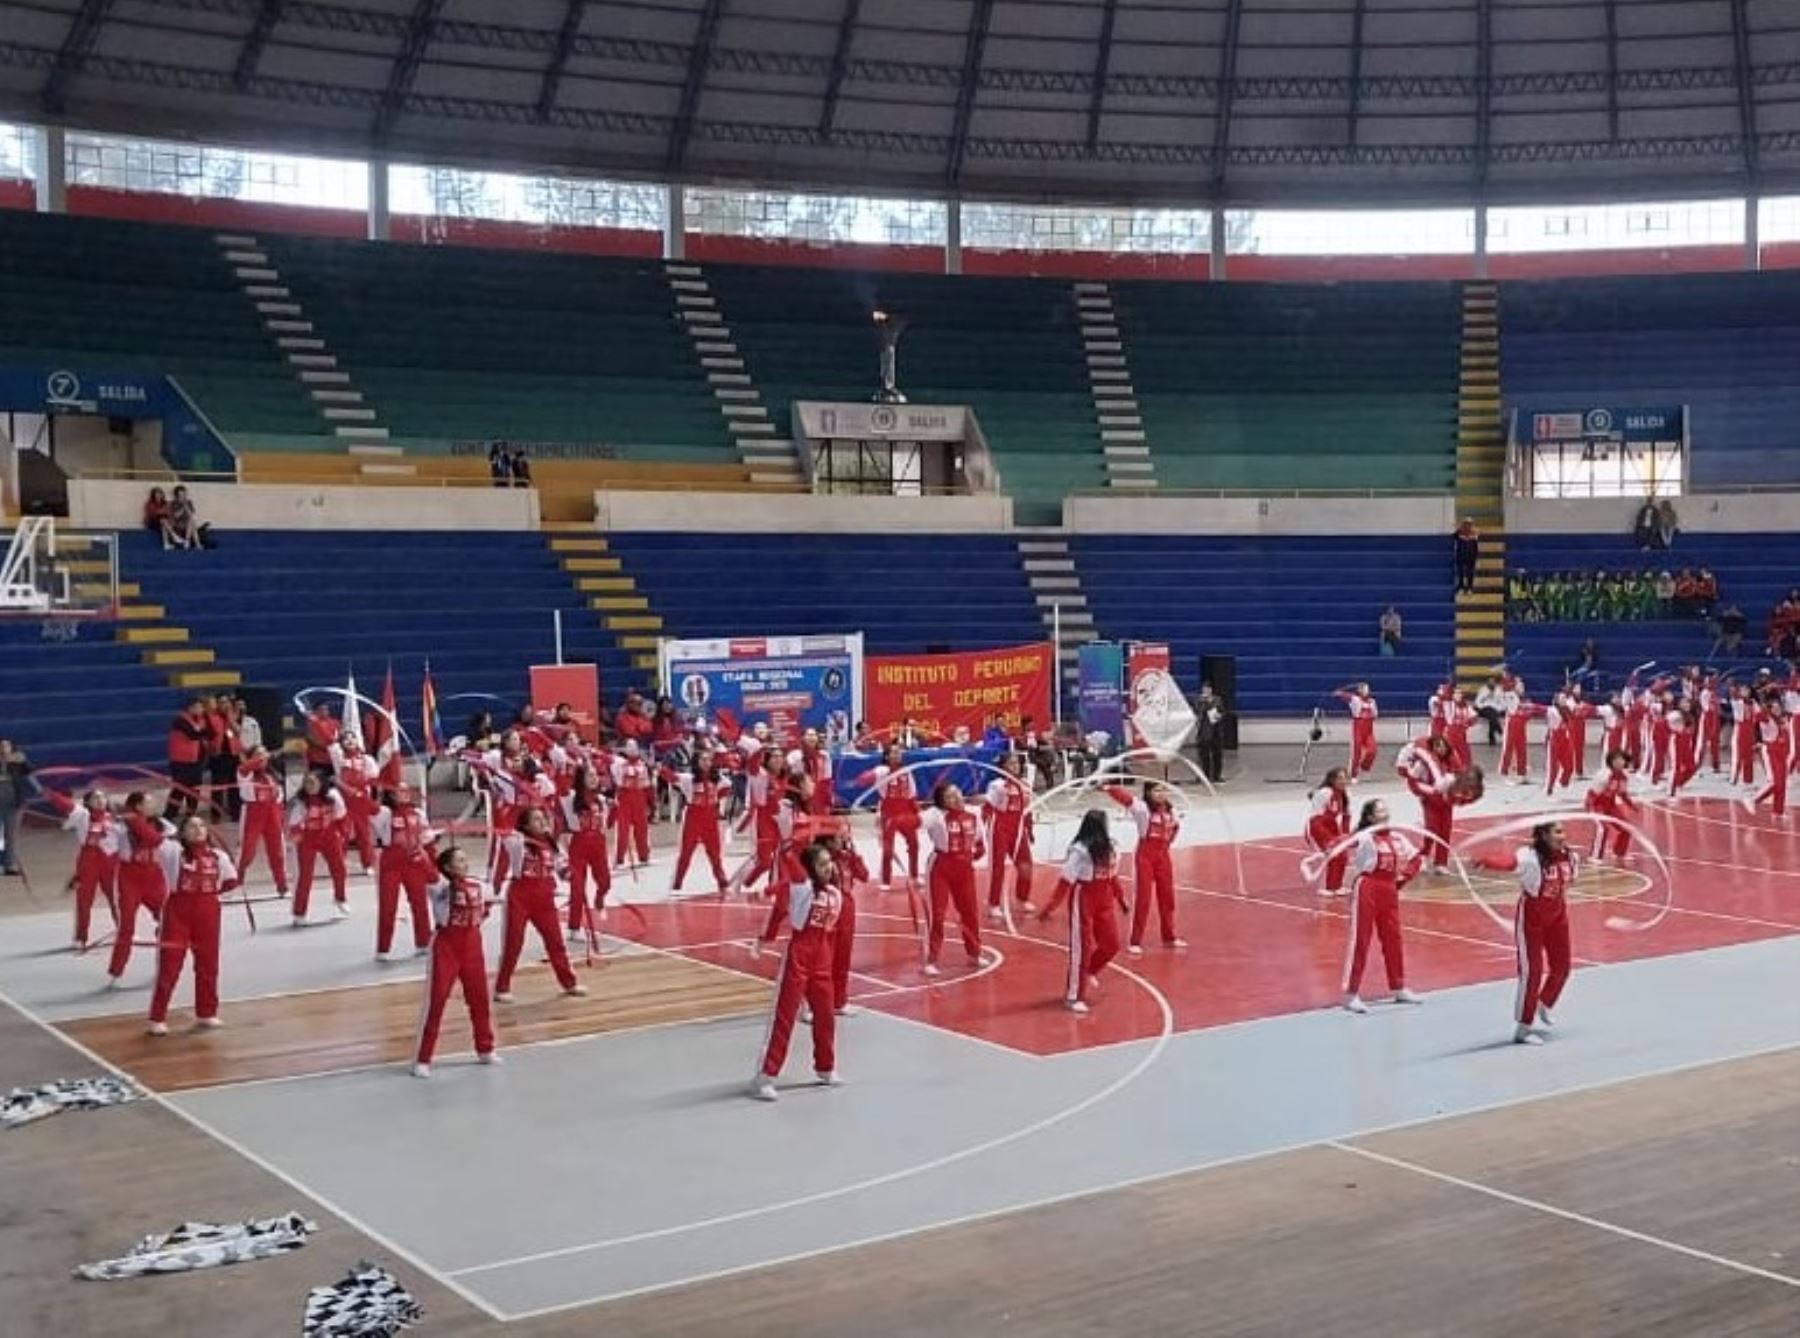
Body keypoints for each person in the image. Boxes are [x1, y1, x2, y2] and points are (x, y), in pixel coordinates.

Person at [750, 840, 845, 1100]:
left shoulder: (835, 894)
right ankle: (765, 1076)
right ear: (810, 869)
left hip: (823, 959)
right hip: (799, 956)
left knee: (826, 1016)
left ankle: (825, 1067)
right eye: (822, 864)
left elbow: (832, 934)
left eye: (830, 862)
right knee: (785, 1016)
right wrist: (796, 838)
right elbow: (789, 857)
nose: (829, 867)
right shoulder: (801, 888)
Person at [1475, 821, 1577, 1045]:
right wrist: (1488, 860)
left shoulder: (1571, 857)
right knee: (1532, 973)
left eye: (1563, 830)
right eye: (1558, 831)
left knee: (1562, 968)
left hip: (1558, 915)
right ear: (1543, 835)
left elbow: (1567, 882)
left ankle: (1545, 1003)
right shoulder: (1530, 857)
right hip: (1532, 918)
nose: (1563, 835)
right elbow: (1509, 862)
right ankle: (1523, 1028)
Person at [146, 814, 240, 1035]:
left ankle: (206, 1013)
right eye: (191, 826)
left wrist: (214, 894)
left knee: (208, 965)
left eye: (201, 825)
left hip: (208, 912)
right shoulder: (172, 852)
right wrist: (135, 816)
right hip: (178, 911)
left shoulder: (219, 856)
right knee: (170, 966)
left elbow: (232, 880)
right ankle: (157, 1017)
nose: (198, 829)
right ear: (183, 832)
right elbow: (150, 836)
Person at [413, 846, 500, 1078]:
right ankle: (423, 1058)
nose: (465, 863)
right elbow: (427, 870)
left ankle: (485, 1048)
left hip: (472, 944)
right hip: (446, 946)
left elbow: (490, 902)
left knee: (479, 998)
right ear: (449, 867)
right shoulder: (440, 888)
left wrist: (481, 915)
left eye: (465, 859)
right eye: (460, 860)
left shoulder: (480, 885)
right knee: (436, 1002)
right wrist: (419, 849)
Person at [493, 807, 587, 1003]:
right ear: (526, 825)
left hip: (544, 899)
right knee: (513, 943)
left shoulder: (553, 844)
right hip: (520, 897)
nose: (542, 822)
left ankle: (569, 983)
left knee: (555, 942)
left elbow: (562, 867)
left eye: (543, 818)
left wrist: (570, 875)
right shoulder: (517, 842)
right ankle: (502, 987)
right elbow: (503, 831)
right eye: (536, 820)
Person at [1036, 809, 1124, 1015]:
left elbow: (1113, 875)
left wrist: (1121, 898)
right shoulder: (1079, 850)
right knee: (1082, 948)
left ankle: (1091, 970)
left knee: (1112, 944)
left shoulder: (1113, 847)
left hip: (1105, 897)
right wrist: (1050, 907)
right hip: (1083, 898)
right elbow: (1065, 881)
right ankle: (1074, 996)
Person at [1340, 798, 1424, 1014]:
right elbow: (1343, 843)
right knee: (1361, 939)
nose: (1385, 813)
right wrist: (1330, 846)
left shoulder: (1398, 837)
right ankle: (1351, 994)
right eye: (1379, 811)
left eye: (1386, 809)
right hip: (1367, 887)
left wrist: (1404, 877)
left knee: (1393, 939)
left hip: (1389, 889)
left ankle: (1398, 987)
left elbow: (1416, 858)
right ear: (1370, 817)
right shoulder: (1366, 837)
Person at [1107, 780, 1184, 950]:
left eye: (1163, 790)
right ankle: (1135, 941)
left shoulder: (1172, 811)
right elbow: (1125, 798)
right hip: (1145, 856)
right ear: (1149, 793)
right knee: (1143, 898)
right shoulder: (1142, 809)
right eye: (1157, 790)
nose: (1161, 793)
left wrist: (1167, 843)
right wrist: (1108, 787)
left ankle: (1169, 937)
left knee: (1167, 897)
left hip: (1163, 856)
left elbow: (1175, 828)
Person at [920, 782, 985, 976]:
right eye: (950, 796)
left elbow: (980, 841)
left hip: (965, 868)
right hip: (940, 867)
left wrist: (977, 852)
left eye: (957, 792)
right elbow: (914, 821)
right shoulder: (935, 815)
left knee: (970, 912)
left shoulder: (974, 813)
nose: (956, 797)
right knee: (937, 915)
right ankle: (930, 959)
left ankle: (974, 952)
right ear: (942, 802)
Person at [107, 793, 172, 984]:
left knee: (167, 923)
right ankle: (116, 970)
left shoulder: (163, 825)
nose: (154, 804)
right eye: (149, 802)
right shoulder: (119, 828)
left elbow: (158, 841)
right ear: (137, 806)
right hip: (130, 878)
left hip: (154, 877)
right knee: (126, 928)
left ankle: (164, 965)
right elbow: (106, 849)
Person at [371, 784, 437, 961]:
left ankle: (423, 942)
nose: (405, 794)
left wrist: (430, 838)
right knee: (388, 907)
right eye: (399, 791)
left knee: (420, 904)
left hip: (414, 861)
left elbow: (425, 834)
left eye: (407, 790)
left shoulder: (419, 813)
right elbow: (370, 810)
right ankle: (383, 948)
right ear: (391, 795)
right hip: (391, 861)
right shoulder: (385, 813)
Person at [56, 788, 119, 951]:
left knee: (117, 898)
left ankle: (124, 930)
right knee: (84, 901)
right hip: (88, 860)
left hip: (110, 860)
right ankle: (81, 937)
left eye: (103, 797)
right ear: (88, 802)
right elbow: (66, 806)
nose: (100, 800)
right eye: (95, 798)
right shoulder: (82, 815)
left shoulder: (115, 818)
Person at [286, 771, 349, 924]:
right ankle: (299, 913)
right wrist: (297, 839)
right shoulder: (300, 802)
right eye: (307, 783)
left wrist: (342, 834)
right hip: (308, 840)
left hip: (329, 837)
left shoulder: (333, 797)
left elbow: (341, 816)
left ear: (321, 783)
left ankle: (340, 898)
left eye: (313, 783)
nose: (310, 786)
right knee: (305, 876)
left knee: (340, 869)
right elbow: (293, 824)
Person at [983, 752, 1035, 922]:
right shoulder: (997, 785)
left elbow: (1027, 810)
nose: (1015, 766)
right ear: (1003, 766)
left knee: (1026, 865)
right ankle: (994, 904)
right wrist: (987, 828)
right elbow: (988, 807)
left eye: (1017, 763)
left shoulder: (1025, 784)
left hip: (1018, 829)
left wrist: (1029, 828)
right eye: (1011, 763)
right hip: (999, 827)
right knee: (998, 867)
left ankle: (1022, 898)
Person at [561, 763, 611, 932]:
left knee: (605, 882)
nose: (594, 778)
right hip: (579, 845)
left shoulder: (602, 800)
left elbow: (607, 823)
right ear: (581, 779)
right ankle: (574, 927)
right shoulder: (570, 798)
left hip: (599, 844)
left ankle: (599, 898)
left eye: (595, 775)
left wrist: (615, 808)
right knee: (577, 890)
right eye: (590, 775)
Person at [234, 745, 288, 898]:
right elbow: (247, 766)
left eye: (264, 754)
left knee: (277, 852)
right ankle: (235, 882)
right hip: (253, 813)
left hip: (273, 814)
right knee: (247, 852)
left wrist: (280, 816)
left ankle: (282, 885)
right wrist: (263, 757)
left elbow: (280, 798)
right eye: (258, 755)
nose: (262, 758)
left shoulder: (273, 775)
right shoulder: (244, 773)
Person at [672, 749, 729, 894]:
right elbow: (671, 777)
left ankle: (721, 879)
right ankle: (678, 882)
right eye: (703, 759)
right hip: (693, 817)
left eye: (709, 760)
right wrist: (662, 767)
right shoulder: (688, 778)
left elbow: (728, 787)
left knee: (715, 852)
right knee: (686, 852)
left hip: (710, 817)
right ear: (697, 762)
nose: (706, 763)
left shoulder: (718, 778)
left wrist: (717, 803)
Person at [865, 744, 921, 888]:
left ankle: (914, 875)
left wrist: (916, 811)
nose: (898, 754)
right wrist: (868, 777)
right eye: (894, 752)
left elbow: (912, 794)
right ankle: (885, 879)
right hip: (888, 813)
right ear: (887, 756)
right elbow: (865, 779)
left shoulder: (907, 771)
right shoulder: (882, 771)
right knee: (888, 849)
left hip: (906, 812)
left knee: (914, 844)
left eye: (899, 752)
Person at [1304, 767, 1352, 898]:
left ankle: (1337, 886)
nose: (1344, 781)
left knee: (1343, 855)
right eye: (1340, 778)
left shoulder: (1345, 795)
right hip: (1317, 828)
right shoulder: (1325, 793)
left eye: (1345, 778)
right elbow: (1316, 819)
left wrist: (1345, 836)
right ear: (1332, 780)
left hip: (1331, 827)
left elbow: (1347, 816)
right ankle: (1328, 887)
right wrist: (1327, 838)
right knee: (1333, 855)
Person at [1584, 749, 1639, 863]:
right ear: (1610, 761)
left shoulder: (1624, 776)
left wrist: (1631, 805)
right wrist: (1592, 808)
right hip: (1596, 804)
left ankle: (1619, 852)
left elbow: (1623, 794)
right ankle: (1595, 856)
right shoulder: (1604, 775)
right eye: (1616, 760)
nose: (1619, 762)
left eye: (1621, 759)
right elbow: (1592, 793)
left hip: (1610, 805)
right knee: (1603, 828)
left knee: (1626, 827)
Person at [163, 699, 210, 823]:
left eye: (202, 707)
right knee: (179, 789)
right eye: (198, 707)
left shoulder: (200, 720)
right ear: (190, 707)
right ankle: (168, 815)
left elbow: (208, 733)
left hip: (196, 761)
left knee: (194, 789)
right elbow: (193, 735)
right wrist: (205, 732)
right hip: (181, 762)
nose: (201, 710)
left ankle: (191, 814)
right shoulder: (180, 720)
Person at [611, 738, 653, 868]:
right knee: (623, 831)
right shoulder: (619, 763)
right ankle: (619, 859)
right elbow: (607, 759)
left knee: (642, 829)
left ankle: (644, 856)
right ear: (625, 750)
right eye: (629, 747)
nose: (632, 750)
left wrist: (650, 803)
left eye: (634, 747)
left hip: (639, 799)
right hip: (624, 798)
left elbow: (647, 786)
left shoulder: (642, 765)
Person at [0, 738, 35, 876]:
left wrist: (23, 761)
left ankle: (9, 864)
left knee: (11, 835)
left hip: (13, 803)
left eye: (6, 746)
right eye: (1, 746)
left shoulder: (17, 762)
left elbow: (30, 771)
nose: (3, 749)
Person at [1334, 683, 1379, 777]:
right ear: (1359, 690)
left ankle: (1364, 767)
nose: (1366, 691)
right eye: (1364, 689)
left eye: (1367, 689)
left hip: (1368, 731)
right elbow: (1343, 695)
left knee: (1373, 750)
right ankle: (1353, 774)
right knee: (1356, 753)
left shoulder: (1372, 702)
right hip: (1358, 729)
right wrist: (1339, 693)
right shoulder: (1355, 699)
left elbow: (1375, 715)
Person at [1193, 684, 1226, 782]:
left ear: (1211, 690)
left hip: (1216, 730)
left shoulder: (1218, 699)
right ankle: (1205, 776)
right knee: (1204, 756)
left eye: (1208, 689)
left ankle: (1217, 776)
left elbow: (1223, 711)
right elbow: (1198, 710)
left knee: (1217, 755)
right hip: (1204, 731)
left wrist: (1220, 715)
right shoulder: (1199, 700)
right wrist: (1205, 701)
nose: (1206, 691)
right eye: (1204, 689)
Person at [1453, 517, 1480, 593]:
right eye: (1466, 524)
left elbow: (1476, 548)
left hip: (1471, 556)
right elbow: (1454, 536)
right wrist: (1458, 529)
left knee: (1470, 572)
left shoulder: (1474, 535)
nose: (1467, 526)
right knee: (1460, 572)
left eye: (1469, 524)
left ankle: (1470, 587)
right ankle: (1461, 587)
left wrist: (1475, 557)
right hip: (1460, 556)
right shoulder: (1458, 534)